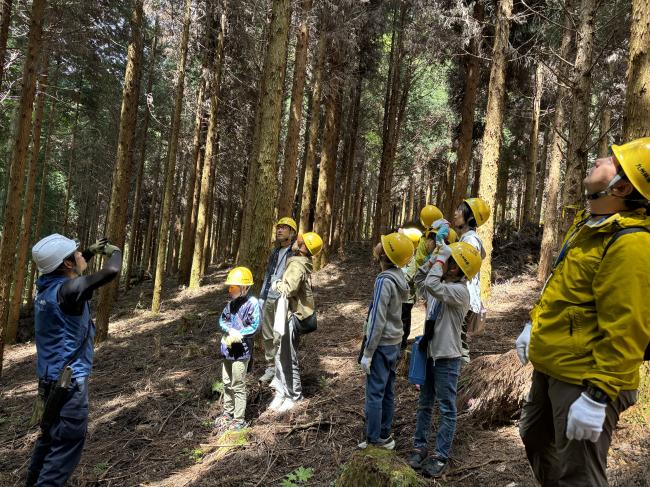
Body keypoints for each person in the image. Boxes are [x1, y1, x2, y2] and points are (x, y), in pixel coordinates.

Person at [516, 137, 650, 487]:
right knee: (533, 436)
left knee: (580, 475)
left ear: (620, 186)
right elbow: (562, 289)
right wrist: (534, 324)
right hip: (553, 364)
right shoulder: (588, 225)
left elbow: (628, 329)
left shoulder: (630, 245)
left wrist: (597, 396)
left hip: (584, 378)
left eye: (614, 159)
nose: (600, 156)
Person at [26, 234, 122, 487]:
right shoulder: (69, 291)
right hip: (70, 386)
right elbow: (111, 272)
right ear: (67, 264)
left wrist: (89, 252)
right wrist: (116, 251)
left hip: (50, 383)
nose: (82, 255)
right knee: (65, 449)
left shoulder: (46, 287)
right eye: (77, 253)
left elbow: (73, 274)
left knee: (48, 441)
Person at [409, 242, 482, 478]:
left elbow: (430, 283)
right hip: (431, 352)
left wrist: (441, 257)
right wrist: (433, 259)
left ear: (455, 269)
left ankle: (440, 455)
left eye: (450, 261)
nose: (445, 263)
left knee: (447, 408)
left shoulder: (460, 292)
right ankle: (419, 447)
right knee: (424, 403)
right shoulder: (443, 284)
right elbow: (420, 280)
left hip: (447, 357)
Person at [358, 233, 412, 450]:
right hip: (394, 342)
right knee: (388, 389)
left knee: (374, 393)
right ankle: (385, 433)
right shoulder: (400, 277)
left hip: (381, 345)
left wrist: (368, 353)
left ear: (385, 254)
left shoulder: (383, 280)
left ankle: (374, 439)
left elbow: (377, 319)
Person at [267, 232, 323, 414]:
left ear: (304, 248)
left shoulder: (297, 264)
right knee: (280, 355)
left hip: (292, 317)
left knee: (287, 358)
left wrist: (275, 283)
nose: (297, 241)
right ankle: (282, 392)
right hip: (287, 315)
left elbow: (289, 289)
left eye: (300, 241)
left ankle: (295, 396)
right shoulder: (299, 261)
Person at [214, 267, 261, 431]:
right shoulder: (230, 304)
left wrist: (239, 333)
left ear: (244, 288)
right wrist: (229, 330)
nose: (230, 289)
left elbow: (255, 327)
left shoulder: (253, 304)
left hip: (242, 352)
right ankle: (228, 413)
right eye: (230, 286)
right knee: (227, 383)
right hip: (227, 349)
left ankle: (239, 419)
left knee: (238, 384)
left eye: (233, 287)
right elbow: (222, 320)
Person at [258, 217, 297, 384]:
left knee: (279, 335)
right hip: (269, 297)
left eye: (284, 228)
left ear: (292, 232)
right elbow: (268, 275)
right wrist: (262, 296)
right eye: (278, 228)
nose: (279, 230)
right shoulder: (274, 252)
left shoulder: (294, 252)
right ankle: (271, 368)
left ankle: (281, 371)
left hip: (284, 299)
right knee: (267, 334)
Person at [452, 197, 489, 363]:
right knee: (457, 338)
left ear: (469, 217)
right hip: (463, 294)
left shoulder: (470, 240)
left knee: (458, 340)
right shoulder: (466, 238)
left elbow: (465, 269)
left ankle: (462, 376)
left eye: (459, 210)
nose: (455, 213)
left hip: (463, 295)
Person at [398, 227, 422, 350]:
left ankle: (402, 343)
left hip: (407, 297)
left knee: (404, 320)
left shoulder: (413, 259)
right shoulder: (405, 256)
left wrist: (396, 274)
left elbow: (409, 277)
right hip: (400, 295)